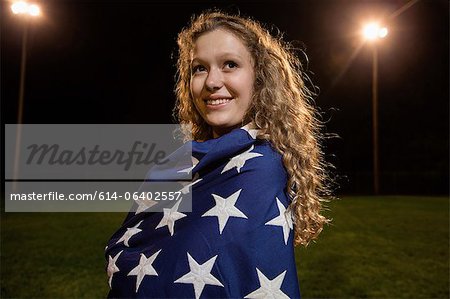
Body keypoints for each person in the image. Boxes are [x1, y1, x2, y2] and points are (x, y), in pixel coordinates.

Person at [105, 10, 331, 298]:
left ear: (259, 78)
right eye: (199, 68)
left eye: (229, 65)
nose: (211, 81)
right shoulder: (183, 162)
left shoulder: (260, 167)